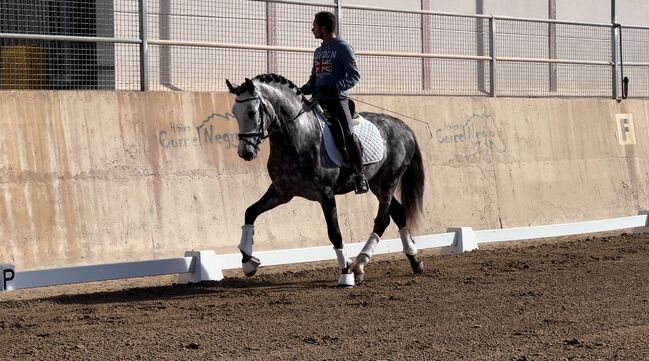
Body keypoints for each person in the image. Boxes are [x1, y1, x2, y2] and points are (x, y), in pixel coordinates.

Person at [300, 11, 369, 194]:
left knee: (348, 134)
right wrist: (306, 87)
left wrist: (336, 86)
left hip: (337, 100)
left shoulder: (343, 48)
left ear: (323, 28)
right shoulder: (318, 51)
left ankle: (360, 175)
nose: (312, 28)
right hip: (319, 100)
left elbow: (355, 75)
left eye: (314, 25)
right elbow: (314, 77)